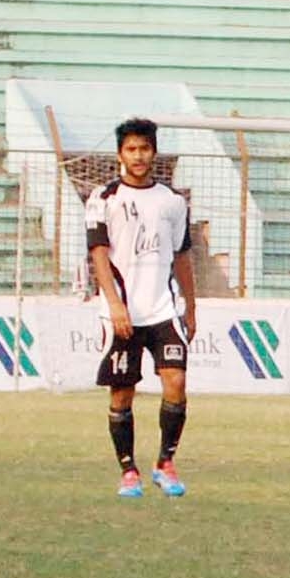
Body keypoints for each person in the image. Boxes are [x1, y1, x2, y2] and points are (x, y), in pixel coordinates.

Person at [89, 117, 196, 499]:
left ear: (154, 152)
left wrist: (192, 308)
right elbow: (99, 255)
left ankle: (164, 463)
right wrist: (115, 305)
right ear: (121, 153)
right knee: (122, 394)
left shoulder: (172, 202)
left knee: (177, 382)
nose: (138, 155)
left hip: (164, 309)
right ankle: (128, 469)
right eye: (131, 149)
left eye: (144, 148)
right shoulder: (104, 198)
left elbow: (183, 256)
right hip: (121, 312)